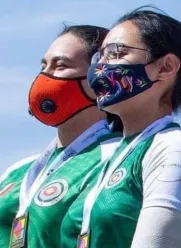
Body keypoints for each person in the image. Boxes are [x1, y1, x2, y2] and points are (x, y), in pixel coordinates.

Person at [60, 7, 181, 248]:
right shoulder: (111, 157)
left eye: (116, 53)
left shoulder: (177, 149)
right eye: (99, 56)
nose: (100, 67)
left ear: (165, 67)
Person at [0, 25, 122, 248]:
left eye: (61, 66)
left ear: (100, 78)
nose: (45, 77)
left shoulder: (118, 158)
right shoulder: (18, 171)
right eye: (44, 66)